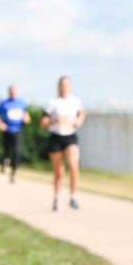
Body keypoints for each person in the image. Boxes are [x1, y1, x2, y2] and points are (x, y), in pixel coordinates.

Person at [40, 76, 84, 210]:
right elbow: (42, 123)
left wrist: (78, 121)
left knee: (74, 165)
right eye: (62, 85)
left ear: (70, 86)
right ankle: (56, 198)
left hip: (70, 136)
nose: (64, 87)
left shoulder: (75, 101)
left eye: (67, 85)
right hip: (56, 137)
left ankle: (73, 196)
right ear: (58, 86)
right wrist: (53, 120)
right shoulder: (52, 103)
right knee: (59, 172)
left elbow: (81, 114)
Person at [0, 84, 32, 184]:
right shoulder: (4, 103)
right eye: (11, 91)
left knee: (17, 151)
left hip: (18, 130)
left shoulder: (21, 103)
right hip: (7, 130)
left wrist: (26, 119)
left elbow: (26, 116)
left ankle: (13, 173)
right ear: (9, 92)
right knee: (6, 151)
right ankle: (4, 162)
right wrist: (0, 124)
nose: (13, 93)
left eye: (14, 91)